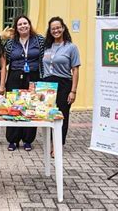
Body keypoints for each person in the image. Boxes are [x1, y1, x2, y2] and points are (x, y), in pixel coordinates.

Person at [4, 15, 45, 151]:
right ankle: (13, 140)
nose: (23, 26)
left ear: (29, 24)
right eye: (20, 24)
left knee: (30, 108)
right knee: (14, 108)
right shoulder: (11, 43)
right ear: (16, 27)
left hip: (33, 76)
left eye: (25, 23)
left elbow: (44, 58)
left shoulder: (39, 40)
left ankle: (28, 140)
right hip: (15, 77)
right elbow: (5, 60)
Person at [43, 16, 80, 157]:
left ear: (63, 28)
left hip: (64, 84)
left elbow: (75, 70)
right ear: (50, 31)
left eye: (58, 27)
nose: (56, 30)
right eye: (53, 28)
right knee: (48, 115)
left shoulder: (71, 47)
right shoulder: (47, 46)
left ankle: (57, 145)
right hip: (48, 85)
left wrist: (73, 91)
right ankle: (49, 142)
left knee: (61, 116)